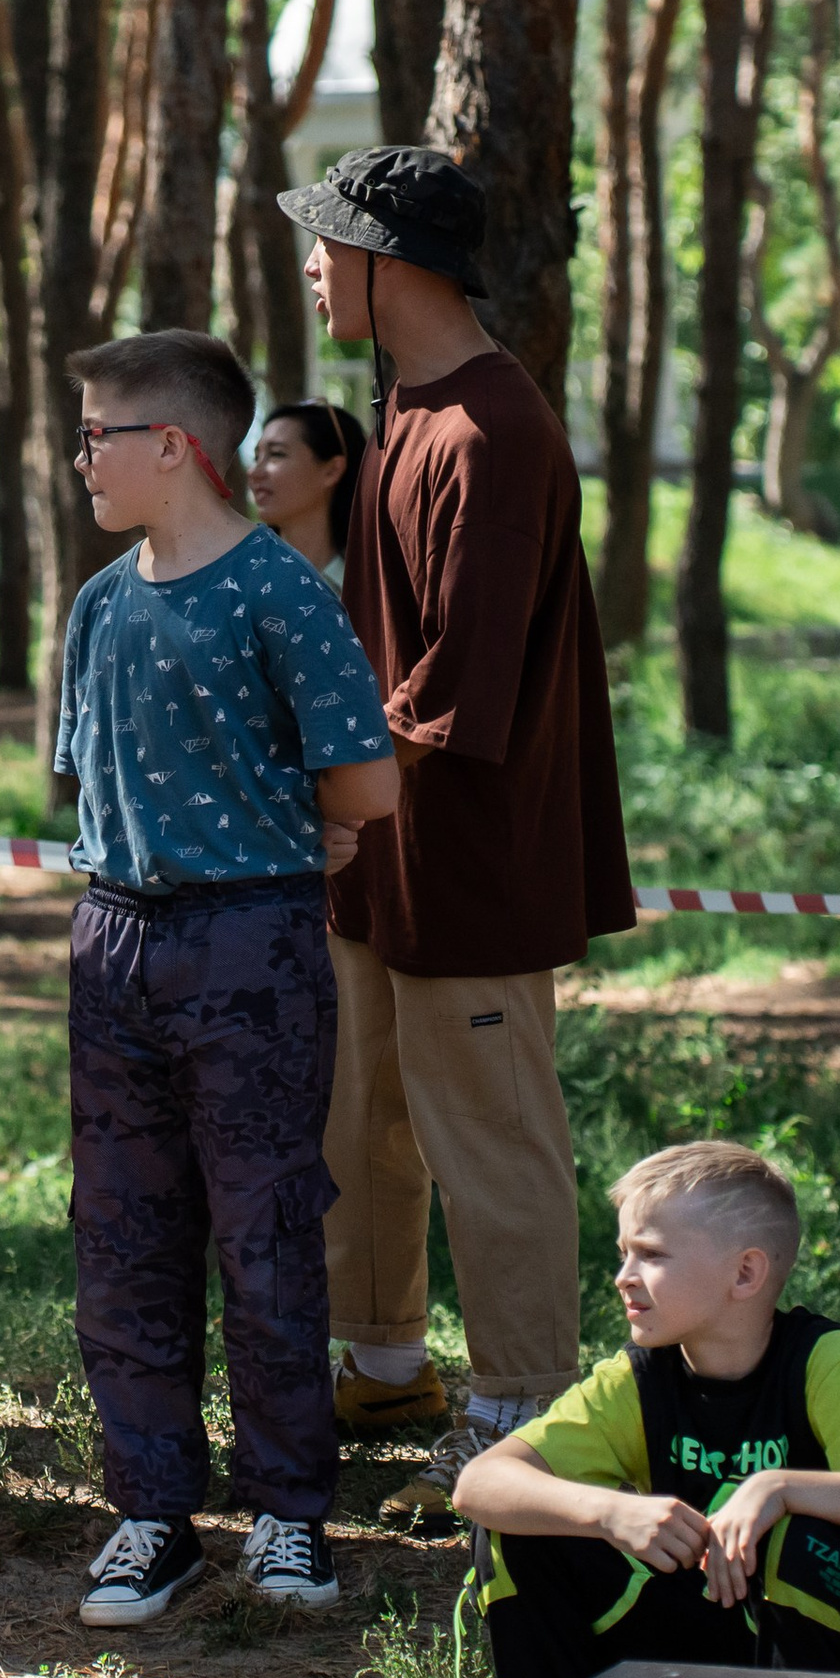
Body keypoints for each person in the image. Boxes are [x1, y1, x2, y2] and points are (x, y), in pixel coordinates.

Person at [280, 148, 635, 1531]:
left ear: (391, 260)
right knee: (364, 1122)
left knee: (489, 1142)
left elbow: (455, 702)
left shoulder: (489, 433)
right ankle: (383, 1371)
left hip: (473, 867)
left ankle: (525, 1414)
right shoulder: (407, 410)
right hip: (384, 861)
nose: (312, 267)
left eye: (327, 243)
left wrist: (319, 802)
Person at [54, 332, 396, 1625]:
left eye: (100, 434)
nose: (84, 456)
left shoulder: (279, 590)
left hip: (251, 947)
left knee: (263, 1237)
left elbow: (366, 780)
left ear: (174, 447)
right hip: (115, 941)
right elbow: (92, 778)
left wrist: (291, 839)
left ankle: (289, 1517)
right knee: (125, 1236)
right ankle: (154, 1514)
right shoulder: (98, 602)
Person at [453, 1142, 840, 1678]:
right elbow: (481, 1483)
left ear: (745, 1273)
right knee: (516, 1530)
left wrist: (779, 1488)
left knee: (795, 1545)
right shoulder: (639, 1378)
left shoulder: (823, 1362)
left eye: (651, 1255)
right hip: (703, 1635)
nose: (624, 1278)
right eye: (623, 1254)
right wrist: (609, 1513)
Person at [244, 401, 366, 589]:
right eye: (256, 457)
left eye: (276, 454)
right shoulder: (242, 580)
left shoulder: (371, 589)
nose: (254, 472)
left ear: (332, 470)